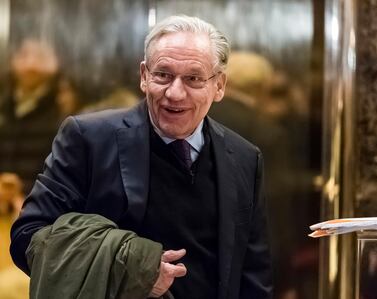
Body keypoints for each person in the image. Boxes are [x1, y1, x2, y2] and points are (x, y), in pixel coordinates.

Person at [10, 15, 273, 299]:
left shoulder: (244, 157)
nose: (175, 92)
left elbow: (253, 272)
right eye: (163, 75)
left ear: (219, 85)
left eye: (194, 79)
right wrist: (130, 268)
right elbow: (29, 237)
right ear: (144, 76)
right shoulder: (89, 139)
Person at [0, 38, 61, 194]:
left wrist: (25, 190)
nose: (31, 65)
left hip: (40, 206)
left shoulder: (63, 107)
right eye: (23, 55)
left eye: (40, 57)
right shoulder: (5, 104)